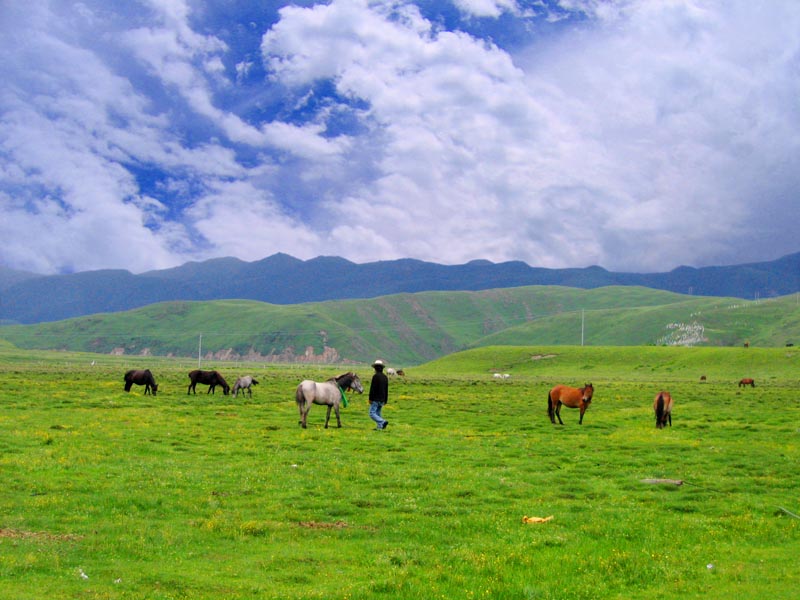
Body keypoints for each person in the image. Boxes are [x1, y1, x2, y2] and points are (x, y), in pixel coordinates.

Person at [368, 359, 389, 430]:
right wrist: (385, 400)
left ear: (375, 368)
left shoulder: (375, 376)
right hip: (382, 399)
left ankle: (383, 422)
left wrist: (370, 398)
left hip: (376, 399)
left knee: (372, 413)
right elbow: (386, 389)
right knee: (378, 413)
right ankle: (380, 427)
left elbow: (372, 389)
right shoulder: (385, 377)